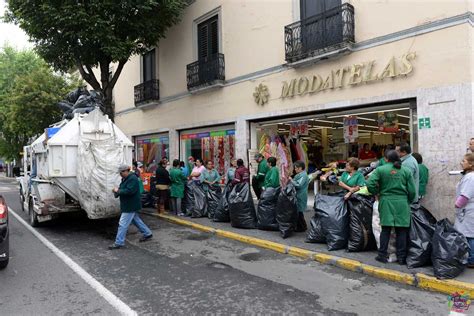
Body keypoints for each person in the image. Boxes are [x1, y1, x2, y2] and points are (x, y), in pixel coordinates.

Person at [367, 150, 416, 265]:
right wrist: (408, 200)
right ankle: (402, 258)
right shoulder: (406, 171)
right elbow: (412, 191)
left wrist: (377, 193)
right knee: (401, 231)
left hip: (386, 201)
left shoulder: (380, 169)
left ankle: (382, 255)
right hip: (402, 203)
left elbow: (370, 184)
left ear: (386, 159)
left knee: (385, 229)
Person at [109, 165, 153, 249]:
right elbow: (124, 189)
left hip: (130, 205)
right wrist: (117, 191)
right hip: (129, 205)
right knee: (136, 220)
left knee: (122, 224)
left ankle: (119, 242)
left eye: (121, 172)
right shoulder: (126, 178)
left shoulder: (132, 179)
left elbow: (130, 191)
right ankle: (147, 233)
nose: (120, 174)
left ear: (126, 171)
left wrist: (118, 191)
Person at [453, 153, 474, 268]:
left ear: (471, 164)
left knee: (470, 236)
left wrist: (457, 205)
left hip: (468, 211)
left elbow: (465, 195)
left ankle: (471, 260)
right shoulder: (469, 176)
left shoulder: (471, 177)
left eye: (464, 161)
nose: (461, 162)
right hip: (468, 211)